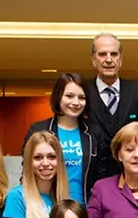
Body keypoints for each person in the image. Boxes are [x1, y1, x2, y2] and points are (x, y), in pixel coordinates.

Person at [86, 32, 138, 182]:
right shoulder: (82, 92)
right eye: (102, 54)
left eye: (114, 54)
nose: (109, 60)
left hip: (132, 178)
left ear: (120, 59)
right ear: (94, 60)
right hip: (92, 179)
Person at [23, 73, 97, 204]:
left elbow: (100, 176)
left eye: (81, 97)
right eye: (69, 96)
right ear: (58, 97)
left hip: (84, 208)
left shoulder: (94, 133)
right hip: (46, 205)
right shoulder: (38, 130)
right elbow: (27, 170)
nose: (76, 102)